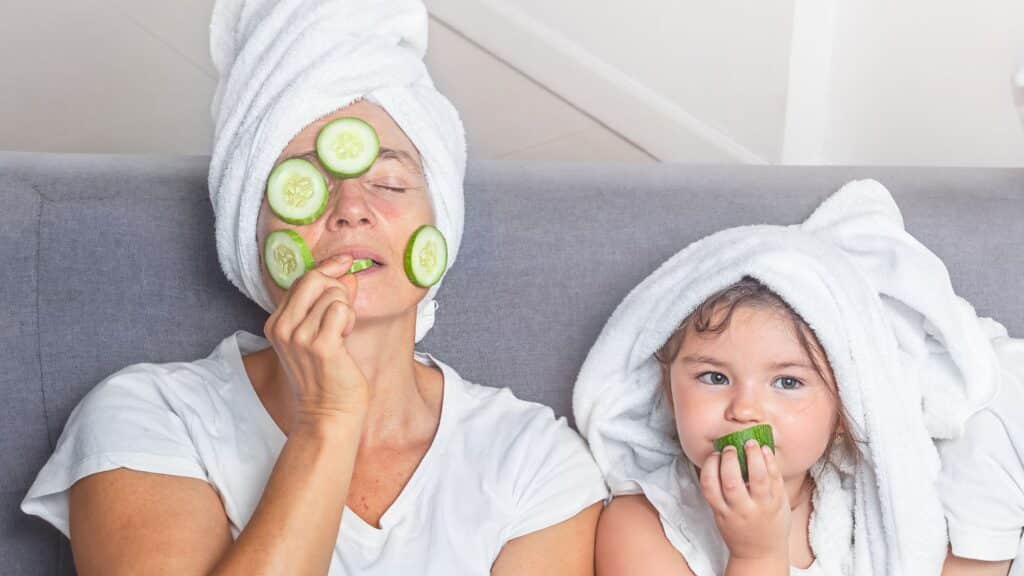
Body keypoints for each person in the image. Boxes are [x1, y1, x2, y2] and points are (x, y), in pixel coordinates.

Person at [20, 1, 607, 574]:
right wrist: (328, 421)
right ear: (248, 231)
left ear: (441, 225)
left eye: (390, 182)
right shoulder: (150, 415)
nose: (352, 209)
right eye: (303, 185)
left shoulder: (535, 459)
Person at [575, 180, 1019, 575]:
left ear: (843, 411)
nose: (744, 408)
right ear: (669, 389)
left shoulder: (865, 511)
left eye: (787, 382)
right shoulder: (641, 525)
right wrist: (756, 555)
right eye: (713, 377)